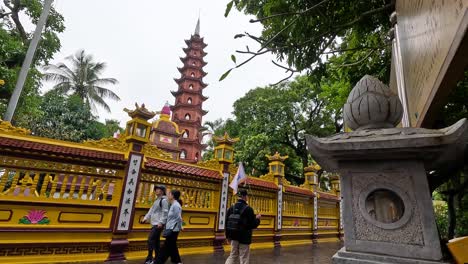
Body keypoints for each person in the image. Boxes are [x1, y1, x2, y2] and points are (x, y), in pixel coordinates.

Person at [225, 189, 261, 264]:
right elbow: (252, 224)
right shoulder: (248, 209)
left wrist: (227, 236)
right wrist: (257, 219)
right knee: (244, 257)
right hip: (244, 237)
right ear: (245, 197)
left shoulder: (231, 208)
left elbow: (226, 223)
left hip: (233, 235)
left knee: (233, 255)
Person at [141, 185, 169, 264]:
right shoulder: (157, 200)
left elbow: (165, 212)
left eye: (158, 189)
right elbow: (151, 210)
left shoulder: (164, 200)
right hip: (154, 223)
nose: (156, 191)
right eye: (156, 189)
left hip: (158, 224)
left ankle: (149, 258)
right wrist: (145, 218)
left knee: (150, 239)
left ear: (162, 191)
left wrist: (161, 222)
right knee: (156, 241)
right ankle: (158, 258)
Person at [155, 189, 183, 264]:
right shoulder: (173, 204)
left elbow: (179, 218)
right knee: (172, 246)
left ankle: (158, 262)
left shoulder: (176, 205)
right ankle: (177, 261)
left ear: (173, 196)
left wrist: (180, 227)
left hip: (173, 230)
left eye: (169, 194)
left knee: (166, 247)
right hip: (171, 228)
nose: (168, 195)